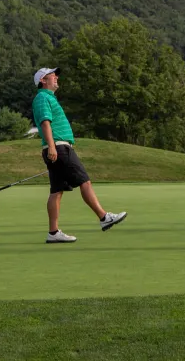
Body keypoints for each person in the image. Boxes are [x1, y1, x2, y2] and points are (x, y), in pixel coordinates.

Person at [32, 67, 127, 243]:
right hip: (59, 148)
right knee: (84, 181)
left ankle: (53, 233)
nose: (56, 77)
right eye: (53, 76)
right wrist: (52, 147)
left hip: (57, 147)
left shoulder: (48, 98)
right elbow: (45, 123)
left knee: (57, 191)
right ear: (42, 81)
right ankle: (104, 217)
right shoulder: (42, 98)